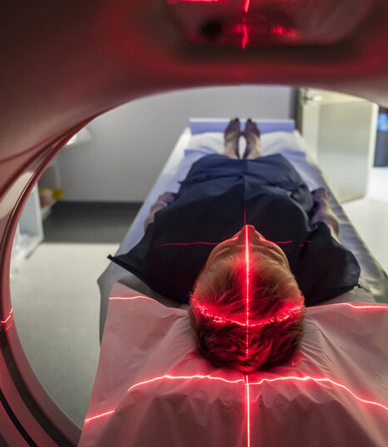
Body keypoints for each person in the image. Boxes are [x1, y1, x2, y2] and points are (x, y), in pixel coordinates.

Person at [111, 118, 361, 372]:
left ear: (198, 281)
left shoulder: (168, 262)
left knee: (212, 165)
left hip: (207, 187)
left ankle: (230, 147)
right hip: (275, 187)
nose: (247, 232)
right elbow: (328, 226)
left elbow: (152, 225)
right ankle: (254, 148)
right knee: (273, 165)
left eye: (227, 249)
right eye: (269, 252)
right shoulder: (319, 270)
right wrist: (324, 203)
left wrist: (160, 204)